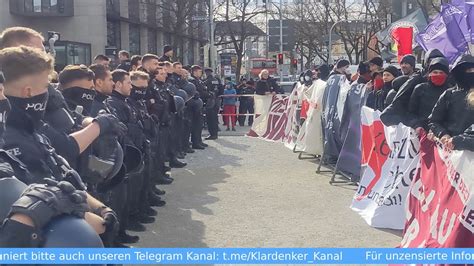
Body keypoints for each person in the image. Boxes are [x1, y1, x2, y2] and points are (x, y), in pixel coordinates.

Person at [0, 45, 120, 245]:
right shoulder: (10, 141)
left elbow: (62, 178)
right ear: (29, 92)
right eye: (46, 85)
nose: (51, 92)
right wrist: (91, 219)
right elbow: (36, 202)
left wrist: (100, 208)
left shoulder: (33, 129)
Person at [381, 49, 445, 126]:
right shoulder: (416, 82)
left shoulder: (452, 85)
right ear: (426, 63)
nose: (436, 63)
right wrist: (415, 124)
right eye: (432, 61)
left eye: (440, 61)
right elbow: (395, 109)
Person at [428, 54, 474, 151]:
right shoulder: (449, 94)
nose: (471, 73)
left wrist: (463, 140)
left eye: (473, 70)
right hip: (450, 152)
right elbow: (434, 120)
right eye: (467, 70)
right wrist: (443, 134)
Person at [407, 57, 450, 131]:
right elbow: (411, 113)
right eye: (435, 72)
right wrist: (417, 126)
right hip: (422, 131)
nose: (438, 75)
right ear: (429, 74)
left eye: (441, 73)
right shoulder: (420, 88)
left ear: (446, 75)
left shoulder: (451, 91)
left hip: (444, 134)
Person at [188, 65, 208, 149]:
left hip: (201, 103)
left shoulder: (199, 80)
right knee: (196, 124)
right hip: (195, 106)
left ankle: (199, 140)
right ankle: (195, 142)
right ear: (194, 72)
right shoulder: (192, 81)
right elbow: (198, 91)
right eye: (199, 71)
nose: (200, 73)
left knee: (200, 124)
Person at [203, 68, 221, 140]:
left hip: (210, 101)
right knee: (215, 118)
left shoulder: (206, 81)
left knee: (210, 119)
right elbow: (220, 89)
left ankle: (212, 134)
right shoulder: (216, 80)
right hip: (217, 100)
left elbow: (205, 90)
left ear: (206, 73)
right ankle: (215, 133)